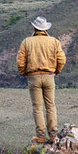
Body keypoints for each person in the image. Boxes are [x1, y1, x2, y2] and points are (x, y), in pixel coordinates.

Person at [16, 16, 66, 144]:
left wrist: (24, 73)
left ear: (34, 27)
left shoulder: (27, 42)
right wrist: (56, 71)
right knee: (51, 106)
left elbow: (20, 61)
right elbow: (62, 59)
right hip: (49, 76)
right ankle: (53, 135)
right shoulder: (54, 41)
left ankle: (41, 136)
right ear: (45, 29)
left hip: (33, 77)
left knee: (37, 107)